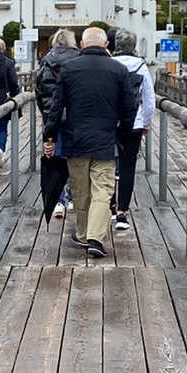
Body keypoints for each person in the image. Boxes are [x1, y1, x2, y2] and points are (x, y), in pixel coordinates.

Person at [41, 25, 138, 259]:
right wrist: (122, 134)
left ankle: (84, 235)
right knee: (102, 191)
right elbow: (130, 108)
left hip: (76, 140)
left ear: (82, 44)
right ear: (106, 45)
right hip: (105, 140)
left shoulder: (69, 69)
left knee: (81, 191)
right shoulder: (119, 69)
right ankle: (95, 238)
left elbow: (56, 107)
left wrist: (49, 137)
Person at [109, 28, 156, 232]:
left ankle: (110, 205)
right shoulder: (141, 66)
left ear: (116, 44)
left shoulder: (109, 64)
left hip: (110, 122)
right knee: (128, 166)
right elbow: (149, 100)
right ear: (134, 45)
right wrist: (145, 124)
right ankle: (122, 212)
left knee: (107, 165)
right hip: (134, 123)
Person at [36, 28, 77, 216]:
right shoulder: (79, 60)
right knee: (75, 158)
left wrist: (46, 113)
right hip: (76, 116)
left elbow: (39, 91)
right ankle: (73, 198)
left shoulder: (45, 62)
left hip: (53, 116)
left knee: (56, 156)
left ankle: (58, 201)